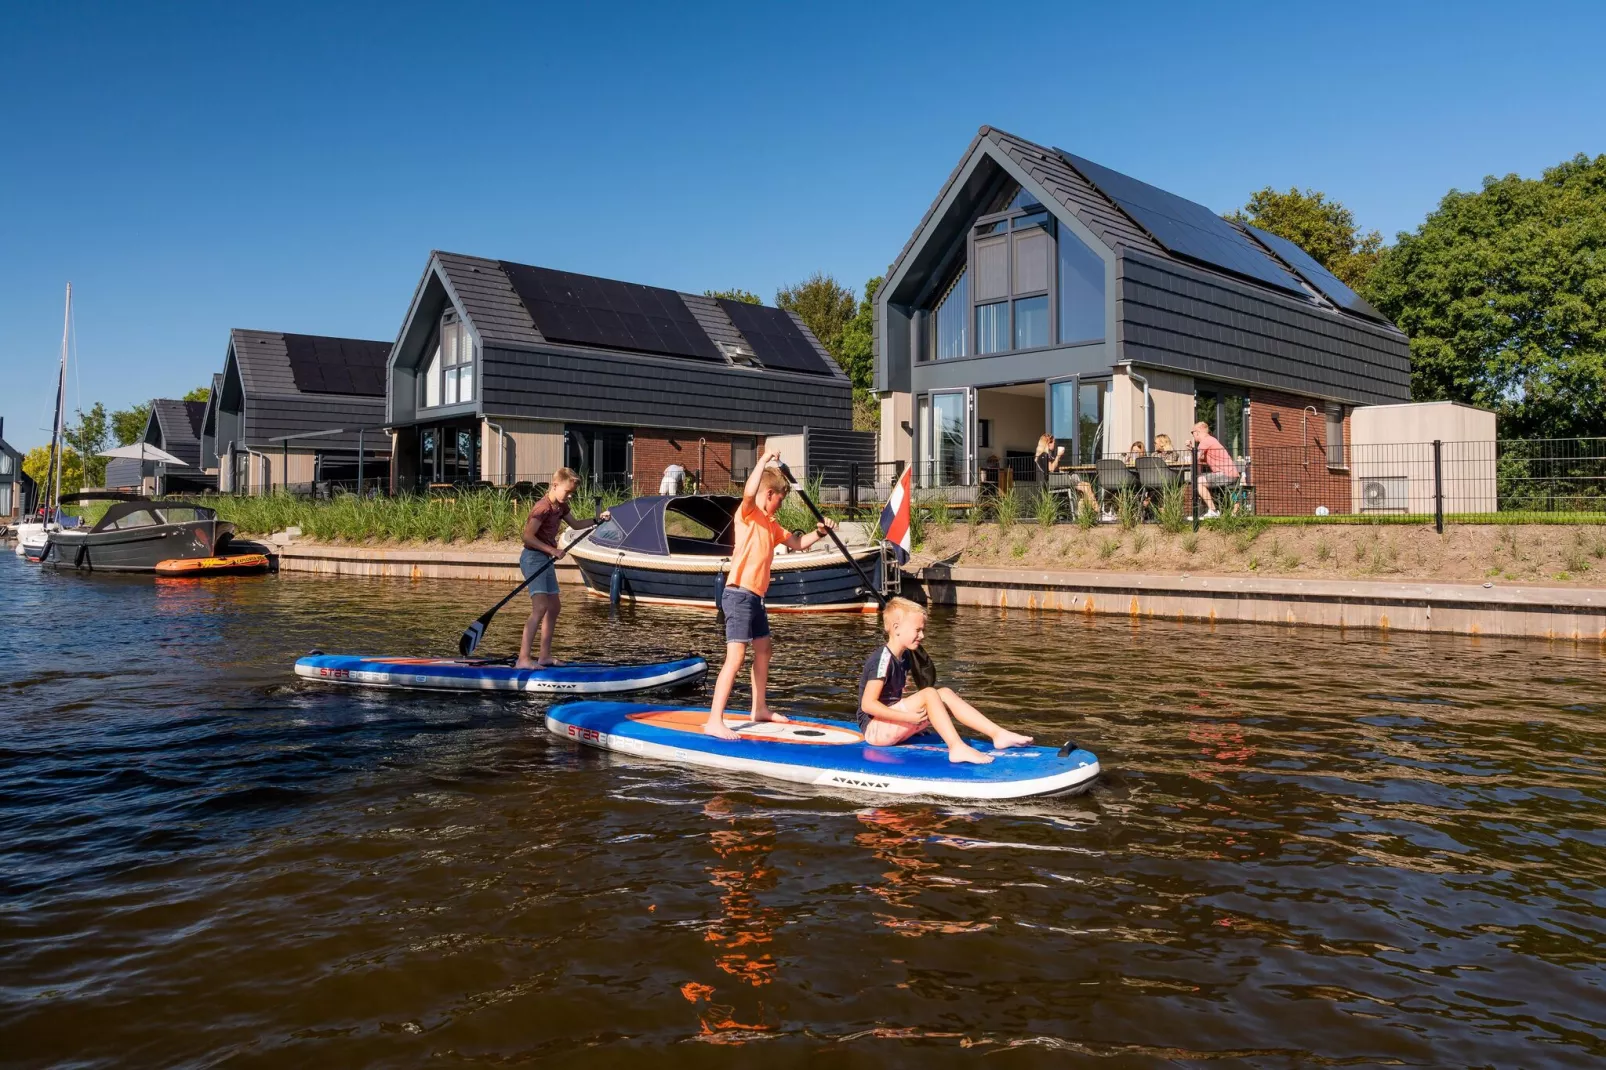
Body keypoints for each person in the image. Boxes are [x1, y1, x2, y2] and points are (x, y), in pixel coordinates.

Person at [703, 451, 836, 740]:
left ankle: (759, 708)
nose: (781, 504)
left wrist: (820, 532)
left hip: (756, 597)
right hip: (738, 593)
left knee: (764, 650)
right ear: (769, 494)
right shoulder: (748, 514)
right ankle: (715, 719)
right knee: (736, 656)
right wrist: (763, 461)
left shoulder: (772, 525)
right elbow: (750, 491)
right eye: (779, 499)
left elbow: (798, 543)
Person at [858, 597, 1033, 765]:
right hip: (875, 731)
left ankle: (998, 734)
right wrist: (907, 718)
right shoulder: (882, 660)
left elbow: (896, 697)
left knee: (945, 693)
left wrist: (912, 723)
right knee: (929, 693)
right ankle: (956, 747)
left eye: (923, 630)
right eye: (917, 630)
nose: (922, 635)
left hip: (891, 725)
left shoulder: (905, 657)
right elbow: (868, 705)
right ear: (896, 628)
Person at [516, 467, 608, 669]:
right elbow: (527, 537)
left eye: (572, 493)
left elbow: (575, 525)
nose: (569, 496)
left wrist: (597, 520)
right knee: (540, 608)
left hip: (545, 559)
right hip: (533, 558)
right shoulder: (542, 507)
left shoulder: (561, 507)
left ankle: (544, 656)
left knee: (554, 607)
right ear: (555, 485)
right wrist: (552, 549)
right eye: (567, 492)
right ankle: (523, 659)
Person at [1188, 421, 1241, 518]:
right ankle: (1209, 510)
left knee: (1198, 481)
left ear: (1197, 431)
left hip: (1225, 474)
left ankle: (1213, 511)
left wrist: (1191, 451)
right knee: (1203, 481)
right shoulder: (1211, 440)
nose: (1193, 435)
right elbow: (1201, 458)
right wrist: (1192, 449)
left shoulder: (1205, 441)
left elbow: (1196, 458)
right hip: (1232, 474)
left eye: (1192, 432)